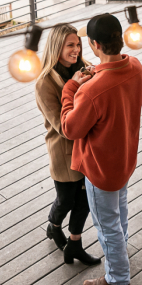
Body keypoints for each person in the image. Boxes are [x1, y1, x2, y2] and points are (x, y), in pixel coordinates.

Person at [60, 13, 142, 285]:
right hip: (124, 160)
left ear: (95, 44)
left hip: (101, 168)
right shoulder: (135, 67)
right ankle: (120, 254)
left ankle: (117, 278)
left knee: (106, 225)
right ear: (119, 38)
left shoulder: (91, 91)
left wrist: (72, 87)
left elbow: (70, 129)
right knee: (119, 215)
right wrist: (95, 74)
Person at [35, 24, 101, 266]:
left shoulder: (85, 69)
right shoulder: (45, 83)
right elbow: (63, 128)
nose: (76, 49)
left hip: (87, 148)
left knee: (84, 199)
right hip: (64, 151)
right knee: (66, 200)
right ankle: (53, 225)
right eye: (70, 45)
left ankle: (75, 243)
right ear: (57, 48)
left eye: (78, 44)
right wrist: (74, 86)